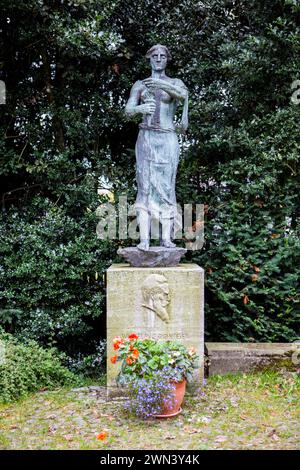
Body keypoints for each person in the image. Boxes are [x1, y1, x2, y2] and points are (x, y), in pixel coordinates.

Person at [125, 44, 188, 251]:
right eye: (155, 56)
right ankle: (144, 239)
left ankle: (166, 239)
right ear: (149, 59)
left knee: (167, 187)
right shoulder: (140, 85)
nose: (159, 59)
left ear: (167, 59)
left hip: (168, 138)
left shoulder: (175, 83)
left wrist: (162, 86)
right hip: (147, 138)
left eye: (162, 56)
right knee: (145, 185)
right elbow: (128, 110)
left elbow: (182, 95)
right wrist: (140, 108)